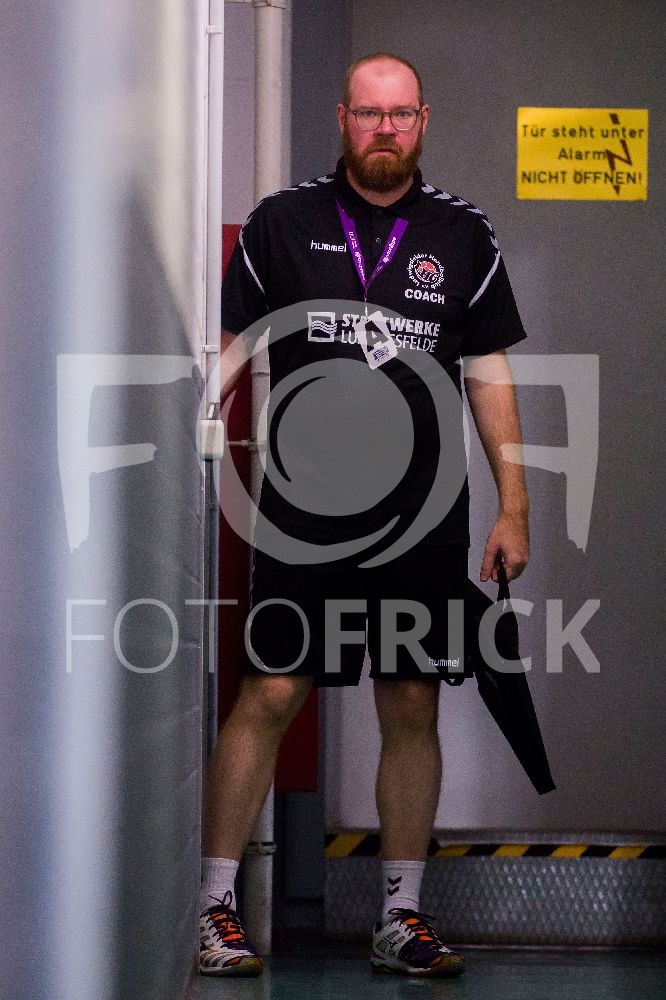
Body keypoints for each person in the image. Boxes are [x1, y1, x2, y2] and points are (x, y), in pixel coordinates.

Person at [199, 52, 529, 978]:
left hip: (424, 514)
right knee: (271, 691)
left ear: (423, 120)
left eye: (401, 115)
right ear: (343, 119)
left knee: (412, 698)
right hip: (304, 511)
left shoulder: (462, 233)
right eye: (369, 114)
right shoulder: (282, 222)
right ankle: (213, 908)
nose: (386, 130)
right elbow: (228, 349)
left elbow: (489, 370)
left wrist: (515, 504)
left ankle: (399, 917)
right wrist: (189, 450)